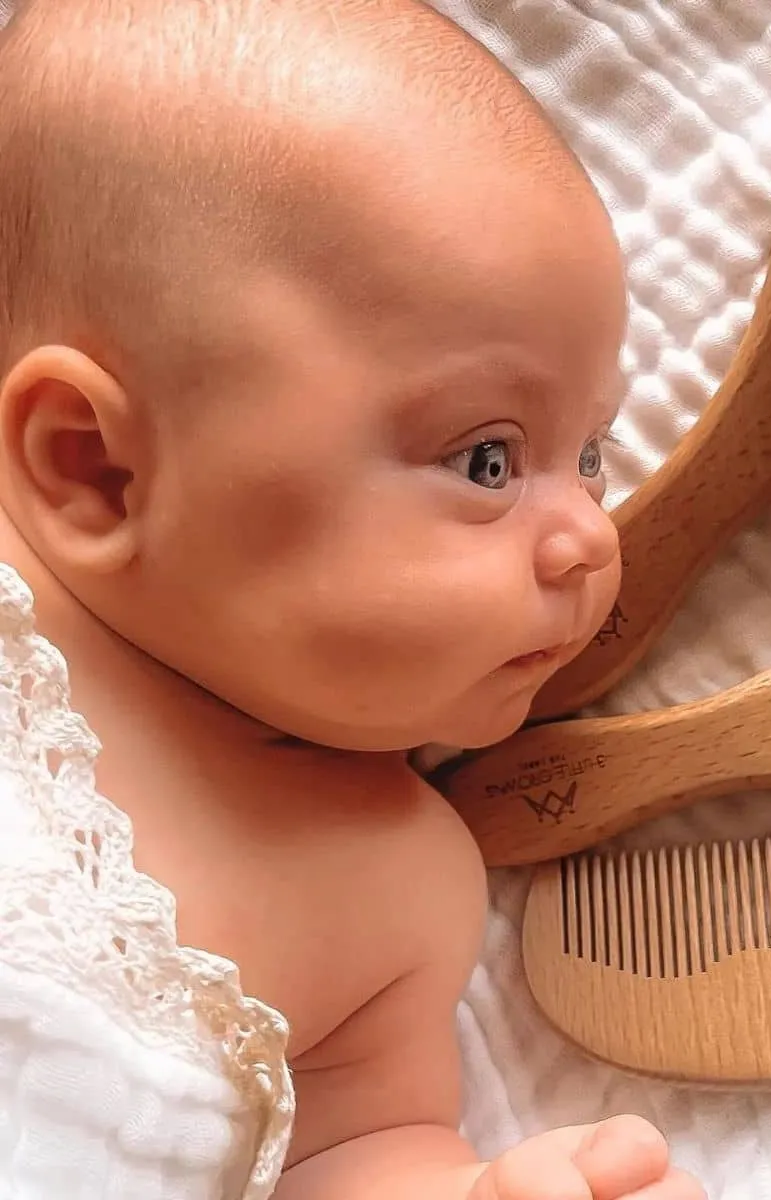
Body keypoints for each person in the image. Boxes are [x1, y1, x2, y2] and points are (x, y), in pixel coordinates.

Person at [0, 1, 705, 1196]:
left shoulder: (396, 896)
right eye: (489, 460)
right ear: (96, 468)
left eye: (591, 451)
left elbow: (358, 1154)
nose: (590, 532)